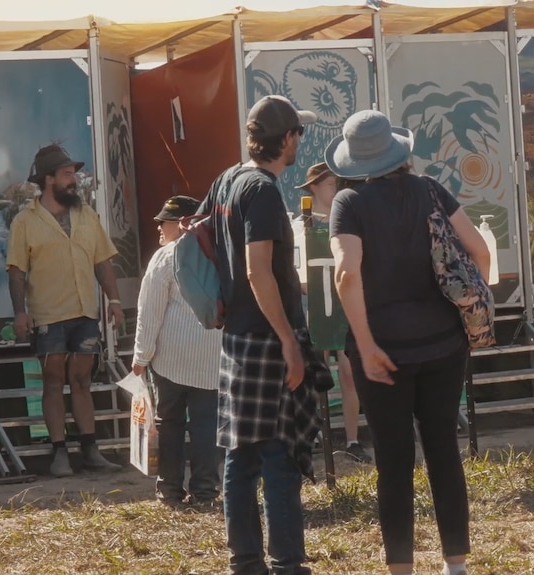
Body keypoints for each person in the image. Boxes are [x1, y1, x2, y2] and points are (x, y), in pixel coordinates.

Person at [326, 110, 491, 575]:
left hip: (383, 351)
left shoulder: (348, 203)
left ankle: (401, 567)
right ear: (400, 152)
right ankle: (455, 564)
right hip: (443, 343)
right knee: (443, 449)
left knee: (394, 462)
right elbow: (478, 250)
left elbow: (346, 273)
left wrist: (366, 343)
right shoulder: (430, 189)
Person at [199, 95, 331, 575]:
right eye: (300, 133)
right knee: (279, 456)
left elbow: (198, 242)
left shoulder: (227, 180)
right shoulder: (264, 191)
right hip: (268, 339)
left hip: (237, 337)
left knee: (241, 458)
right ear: (289, 138)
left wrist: (217, 299)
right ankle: (288, 565)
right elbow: (259, 272)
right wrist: (290, 342)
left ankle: (246, 563)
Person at [7, 144, 123, 477]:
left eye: (75, 173)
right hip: (48, 315)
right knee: (54, 380)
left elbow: (103, 261)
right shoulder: (25, 221)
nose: (75, 179)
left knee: (82, 379)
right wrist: (19, 312)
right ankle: (60, 453)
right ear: (49, 179)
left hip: (85, 312)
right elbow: (16, 270)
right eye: (68, 174)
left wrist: (114, 302)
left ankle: (90, 449)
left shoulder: (86, 215)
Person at [132, 195, 222, 506]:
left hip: (170, 359)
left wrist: (140, 358)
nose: (158, 225)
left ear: (183, 222)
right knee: (206, 425)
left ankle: (169, 490)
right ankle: (206, 491)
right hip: (212, 359)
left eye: (165, 221)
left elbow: (150, 311)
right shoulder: (219, 254)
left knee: (169, 423)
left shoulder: (166, 257)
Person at [296, 162, 372, 464]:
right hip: (312, 307)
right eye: (330, 184)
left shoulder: (349, 220)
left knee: (349, 372)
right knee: (314, 374)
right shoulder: (299, 225)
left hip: (344, 304)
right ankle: (314, 434)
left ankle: (352, 439)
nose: (336, 190)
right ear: (313, 186)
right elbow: (296, 271)